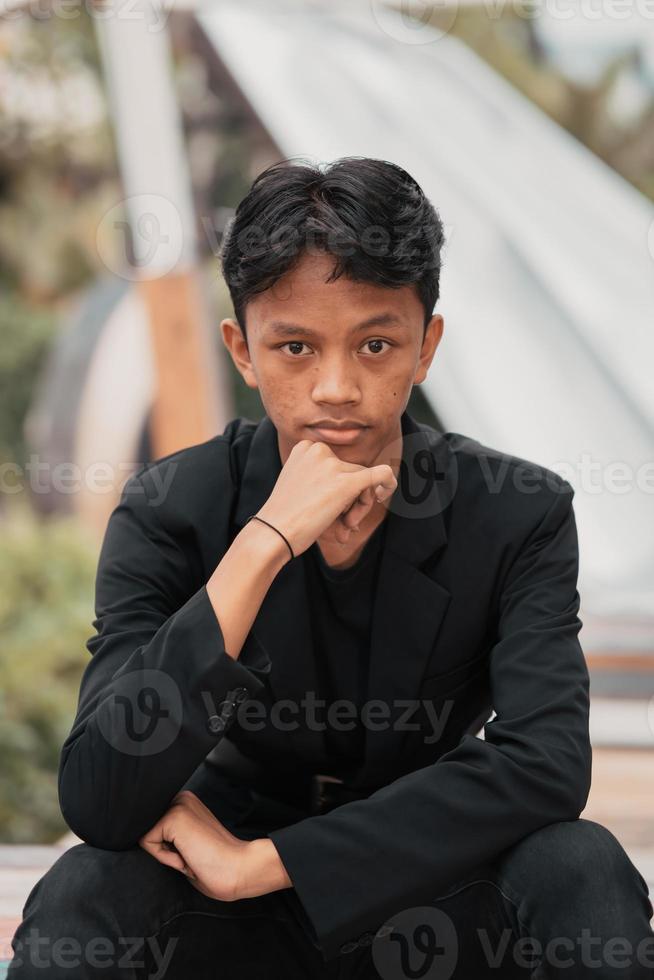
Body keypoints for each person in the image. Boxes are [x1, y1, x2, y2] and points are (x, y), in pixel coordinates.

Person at [9, 157, 653, 979]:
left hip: (431, 893)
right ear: (243, 351)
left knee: (581, 866)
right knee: (88, 887)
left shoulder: (515, 509)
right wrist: (265, 540)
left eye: (376, 344)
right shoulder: (172, 506)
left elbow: (546, 765)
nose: (336, 388)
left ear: (427, 347)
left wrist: (271, 861)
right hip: (226, 908)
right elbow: (99, 793)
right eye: (295, 347)